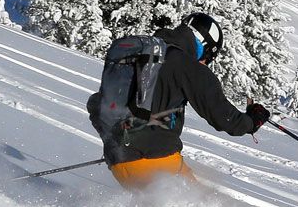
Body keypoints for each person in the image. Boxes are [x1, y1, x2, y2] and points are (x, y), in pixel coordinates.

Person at [87, 12, 271, 189]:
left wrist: (121, 146)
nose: (205, 63)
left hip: (119, 161)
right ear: (204, 46)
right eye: (208, 58)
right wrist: (253, 121)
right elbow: (227, 119)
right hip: (155, 160)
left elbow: (98, 103)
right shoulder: (186, 65)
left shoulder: (145, 56)